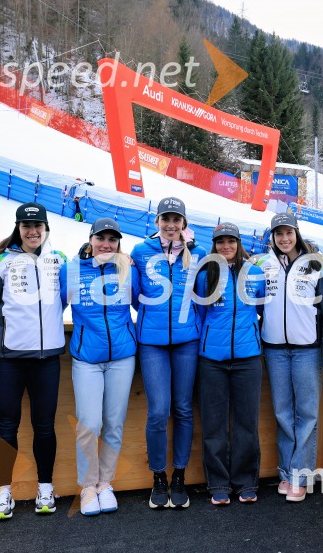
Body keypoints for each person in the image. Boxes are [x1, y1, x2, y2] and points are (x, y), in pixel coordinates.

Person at [0, 202, 67, 521]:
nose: (33, 231)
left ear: (46, 228)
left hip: (47, 360)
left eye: (38, 225)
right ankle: (3, 491)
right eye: (27, 226)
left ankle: (45, 487)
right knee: (6, 427)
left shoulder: (60, 261)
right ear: (18, 228)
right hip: (8, 361)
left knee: (44, 427)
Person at [256, 212, 323, 502]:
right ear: (272, 237)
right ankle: (285, 473)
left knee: (307, 414)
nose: (284, 238)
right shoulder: (263, 265)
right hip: (275, 349)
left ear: (297, 233)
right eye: (278, 233)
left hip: (307, 350)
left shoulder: (316, 264)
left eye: (288, 232)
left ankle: (300, 476)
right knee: (282, 413)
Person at [130, 197, 207, 509]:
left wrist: (191, 326)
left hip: (187, 341)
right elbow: (135, 297)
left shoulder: (198, 254)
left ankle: (179, 476)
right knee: (159, 410)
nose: (171, 225)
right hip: (152, 343)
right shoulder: (140, 251)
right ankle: (158, 476)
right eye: (166, 219)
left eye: (177, 219)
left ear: (184, 223)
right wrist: (154, 319)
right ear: (157, 221)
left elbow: (203, 296)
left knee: (184, 409)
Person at [60, 218, 136, 516]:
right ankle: (88, 486)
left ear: (119, 243)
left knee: (114, 424)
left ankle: (106, 483)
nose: (107, 244)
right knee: (89, 424)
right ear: (91, 240)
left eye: (112, 240)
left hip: (122, 358)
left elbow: (146, 304)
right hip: (86, 359)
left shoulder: (128, 270)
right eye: (101, 238)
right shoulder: (72, 270)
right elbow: (55, 308)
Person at [195, 223, 266, 505]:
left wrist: (250, 333)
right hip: (212, 360)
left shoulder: (254, 271)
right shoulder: (206, 273)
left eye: (231, 241)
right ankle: (219, 483)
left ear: (238, 243)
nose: (226, 246)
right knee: (214, 424)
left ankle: (246, 482)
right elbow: (199, 312)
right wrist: (209, 341)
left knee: (247, 422)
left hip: (248, 358)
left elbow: (260, 309)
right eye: (221, 242)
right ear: (214, 245)